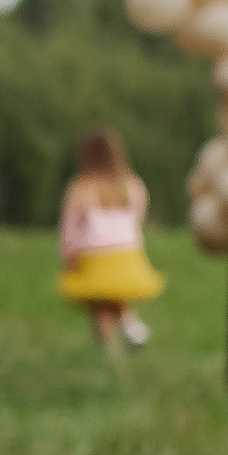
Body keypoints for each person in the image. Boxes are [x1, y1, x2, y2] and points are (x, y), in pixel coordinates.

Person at [59, 129, 165, 353]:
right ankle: (131, 327)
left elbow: (70, 224)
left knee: (99, 305)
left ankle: (110, 352)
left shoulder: (82, 185)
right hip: (126, 250)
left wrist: (67, 253)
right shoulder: (131, 184)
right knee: (119, 298)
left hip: (95, 252)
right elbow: (138, 217)